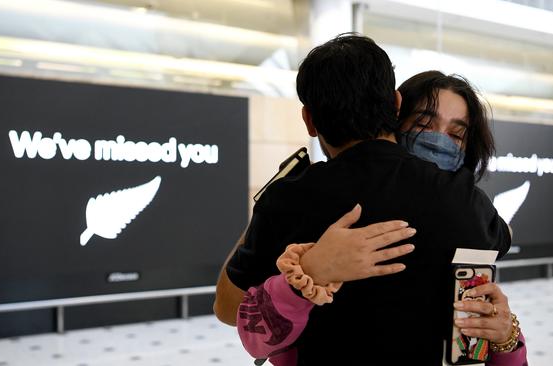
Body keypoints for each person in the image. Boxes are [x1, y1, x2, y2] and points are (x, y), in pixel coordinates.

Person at [215, 34, 512, 365]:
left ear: (310, 121)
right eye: (426, 124)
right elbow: (500, 239)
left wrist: (270, 207)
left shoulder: (289, 198)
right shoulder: (464, 200)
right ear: (396, 105)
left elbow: (228, 307)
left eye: (456, 133)